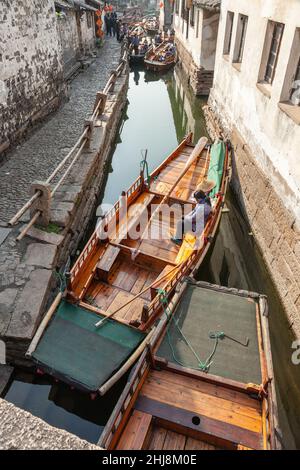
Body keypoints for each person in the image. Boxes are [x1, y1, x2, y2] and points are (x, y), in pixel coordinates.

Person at [171, 180, 216, 246]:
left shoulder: (202, 207)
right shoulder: (204, 201)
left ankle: (179, 240)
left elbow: (193, 218)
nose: (196, 201)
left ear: (199, 199)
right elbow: (194, 211)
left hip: (198, 228)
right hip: (198, 222)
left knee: (180, 223)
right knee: (183, 220)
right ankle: (179, 237)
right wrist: (185, 216)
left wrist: (185, 218)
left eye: (196, 199)